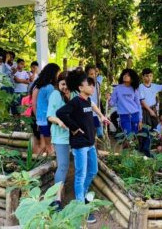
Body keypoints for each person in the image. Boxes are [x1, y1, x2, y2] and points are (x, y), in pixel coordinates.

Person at [56, 72, 98, 223]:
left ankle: (83, 195)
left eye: (92, 84)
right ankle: (80, 207)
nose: (92, 87)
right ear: (81, 87)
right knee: (81, 174)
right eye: (89, 84)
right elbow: (60, 113)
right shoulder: (75, 101)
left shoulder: (88, 101)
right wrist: (73, 128)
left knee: (93, 170)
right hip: (80, 145)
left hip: (90, 143)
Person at [47, 71, 70, 211]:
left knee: (68, 166)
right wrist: (59, 121)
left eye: (68, 84)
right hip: (60, 136)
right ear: (58, 84)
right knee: (63, 166)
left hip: (74, 135)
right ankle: (56, 200)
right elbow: (49, 116)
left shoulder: (73, 95)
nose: (65, 87)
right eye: (62, 84)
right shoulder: (55, 95)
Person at [34, 63, 61, 155]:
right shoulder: (49, 87)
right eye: (58, 73)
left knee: (45, 144)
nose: (59, 76)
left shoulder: (42, 86)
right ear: (53, 74)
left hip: (41, 119)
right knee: (49, 145)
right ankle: (53, 163)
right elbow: (53, 104)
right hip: (47, 119)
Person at [109, 68, 142, 135]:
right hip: (124, 115)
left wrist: (140, 120)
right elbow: (112, 103)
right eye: (124, 74)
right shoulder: (117, 88)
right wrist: (108, 99)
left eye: (128, 75)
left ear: (132, 78)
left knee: (134, 136)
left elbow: (138, 105)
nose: (125, 76)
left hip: (135, 115)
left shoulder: (135, 89)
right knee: (127, 136)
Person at [85, 64, 103, 138]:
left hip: (97, 112)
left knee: (99, 134)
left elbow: (100, 77)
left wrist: (97, 71)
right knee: (91, 133)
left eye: (95, 73)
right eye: (91, 74)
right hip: (89, 112)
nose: (94, 75)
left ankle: (96, 147)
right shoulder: (85, 86)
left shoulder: (98, 83)